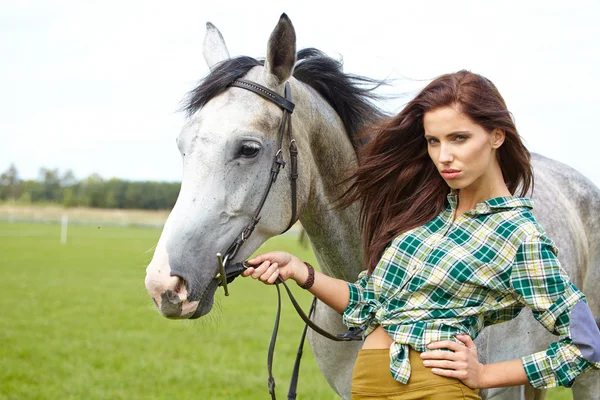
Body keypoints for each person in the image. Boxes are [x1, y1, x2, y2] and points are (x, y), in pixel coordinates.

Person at [241, 70, 600, 399]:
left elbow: (587, 345)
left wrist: (486, 374)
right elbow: (371, 304)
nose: (444, 156)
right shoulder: (423, 215)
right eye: (433, 141)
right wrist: (300, 271)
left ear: (496, 136)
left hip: (436, 391)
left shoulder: (517, 234)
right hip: (367, 385)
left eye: (459, 138)